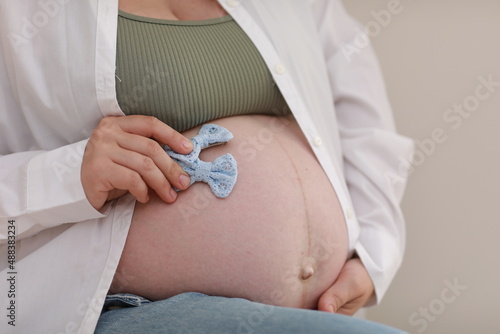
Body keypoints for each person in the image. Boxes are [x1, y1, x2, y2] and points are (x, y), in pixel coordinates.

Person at [0, 0, 414, 333]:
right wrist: (69, 176)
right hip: (119, 307)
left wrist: (372, 257)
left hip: (318, 311)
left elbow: (364, 128)